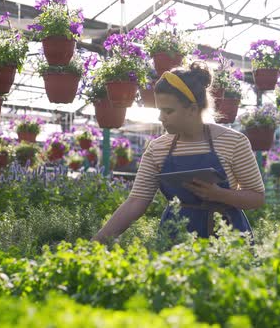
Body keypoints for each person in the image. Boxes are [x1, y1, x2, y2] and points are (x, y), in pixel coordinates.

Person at [92, 61, 265, 243]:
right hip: (175, 238)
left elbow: (257, 197)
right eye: (160, 110)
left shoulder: (233, 142)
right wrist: (96, 243)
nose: (160, 117)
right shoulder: (158, 149)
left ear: (192, 109)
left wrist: (220, 195)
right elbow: (136, 201)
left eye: (168, 111)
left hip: (227, 240)